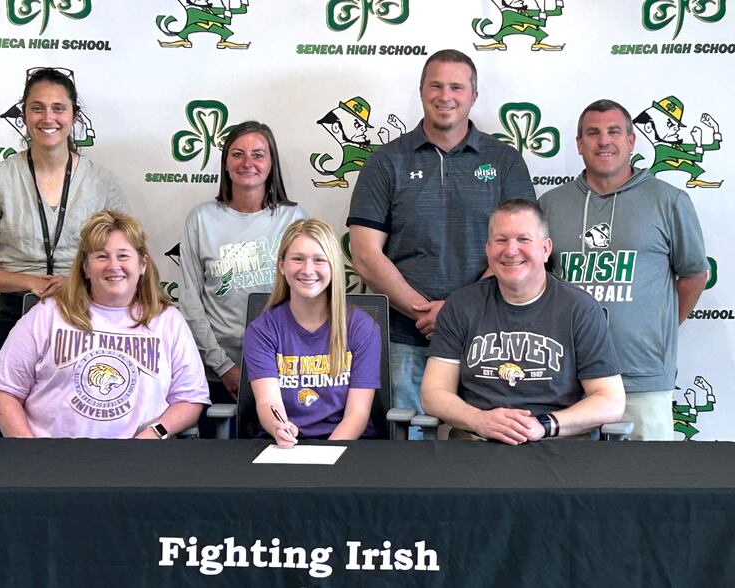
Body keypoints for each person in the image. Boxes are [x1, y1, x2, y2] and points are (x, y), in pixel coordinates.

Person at [347, 49, 535, 438]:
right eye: (436, 85)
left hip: (489, 339)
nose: (445, 95)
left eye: (456, 86)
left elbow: (520, 249)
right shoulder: (386, 161)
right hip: (406, 338)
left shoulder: (505, 161)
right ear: (420, 91)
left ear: (473, 96)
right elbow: (364, 254)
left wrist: (456, 313)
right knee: (408, 461)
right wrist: (423, 311)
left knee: (486, 455)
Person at [540, 99, 708, 440]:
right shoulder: (550, 204)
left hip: (642, 379)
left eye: (614, 132)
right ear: (579, 144)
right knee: (569, 486)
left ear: (631, 142)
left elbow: (694, 274)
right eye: (593, 133)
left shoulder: (669, 201)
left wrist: (659, 328)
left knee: (648, 484)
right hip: (568, 377)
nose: (604, 141)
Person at [0, 67, 125, 415]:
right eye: (37, 108)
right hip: (15, 315)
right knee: (2, 425)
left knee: (79, 424)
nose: (48, 118)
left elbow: (122, 262)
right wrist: (31, 282)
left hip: (84, 315)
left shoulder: (102, 182)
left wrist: (78, 281)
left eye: (58, 108)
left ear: (74, 116)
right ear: (23, 114)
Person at [0, 210, 209, 438]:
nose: (113, 266)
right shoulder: (47, 314)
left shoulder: (168, 320)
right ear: (86, 268)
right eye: (101, 256)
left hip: (140, 460)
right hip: (52, 460)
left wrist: (154, 433)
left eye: (123, 256)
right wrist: (31, 451)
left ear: (143, 264)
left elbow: (190, 398)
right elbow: (4, 390)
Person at [421, 199, 625, 444]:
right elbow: (433, 393)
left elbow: (610, 400)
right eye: (501, 240)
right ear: (488, 249)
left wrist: (545, 425)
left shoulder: (579, 308)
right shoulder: (461, 305)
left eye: (523, 239)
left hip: (557, 445)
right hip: (475, 445)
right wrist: (478, 420)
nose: (511, 250)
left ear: (546, 249)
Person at [179, 121, 307, 436]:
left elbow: (308, 299)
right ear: (225, 163)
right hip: (216, 372)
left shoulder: (294, 219)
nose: (247, 163)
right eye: (237, 154)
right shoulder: (201, 220)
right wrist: (223, 366)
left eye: (258, 155)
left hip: (283, 371)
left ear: (271, 164)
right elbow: (190, 300)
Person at [243, 219, 381, 448]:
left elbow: (357, 415)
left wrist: (322, 457)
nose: (308, 270)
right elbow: (268, 401)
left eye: (319, 260)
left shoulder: (362, 327)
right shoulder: (262, 330)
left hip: (347, 445)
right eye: (297, 259)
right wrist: (280, 428)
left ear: (334, 267)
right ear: (281, 266)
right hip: (284, 446)